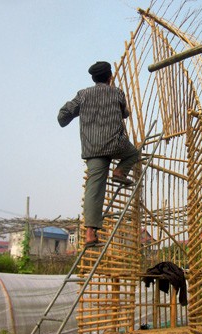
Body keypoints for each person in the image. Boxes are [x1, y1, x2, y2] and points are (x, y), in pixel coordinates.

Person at [58, 61, 139, 247]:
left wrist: (69, 117)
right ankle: (120, 172)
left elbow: (62, 116)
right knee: (133, 154)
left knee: (94, 190)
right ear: (110, 77)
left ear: (93, 78)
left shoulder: (83, 95)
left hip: (93, 149)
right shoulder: (117, 92)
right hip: (116, 144)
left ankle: (90, 234)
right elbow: (125, 113)